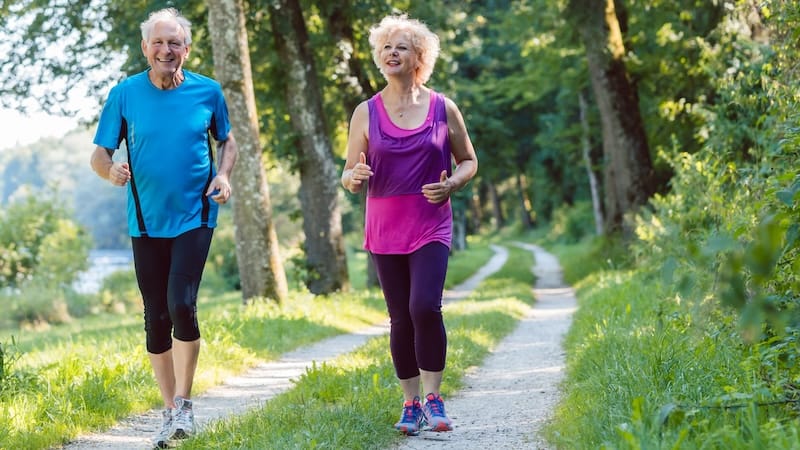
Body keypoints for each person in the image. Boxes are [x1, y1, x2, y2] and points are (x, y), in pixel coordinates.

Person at [89, 7, 237, 449]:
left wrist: (224, 175)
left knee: (181, 304)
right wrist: (110, 171)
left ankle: (185, 405)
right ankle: (169, 410)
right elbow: (99, 154)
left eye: (174, 43)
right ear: (145, 48)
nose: (166, 50)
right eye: (158, 42)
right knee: (155, 315)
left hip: (196, 214)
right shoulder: (125, 94)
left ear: (186, 50)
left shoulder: (208, 92)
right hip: (145, 220)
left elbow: (227, 140)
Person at [341, 14, 478, 436]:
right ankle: (410, 402)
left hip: (430, 221)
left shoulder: (442, 107)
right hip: (384, 224)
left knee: (424, 307)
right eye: (386, 47)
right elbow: (348, 175)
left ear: (419, 56)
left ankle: (434, 398)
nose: (391, 53)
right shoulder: (365, 113)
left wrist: (452, 183)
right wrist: (354, 178)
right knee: (400, 317)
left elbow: (469, 160)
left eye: (400, 47)